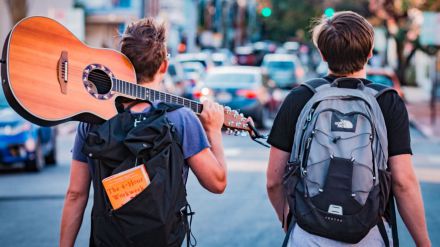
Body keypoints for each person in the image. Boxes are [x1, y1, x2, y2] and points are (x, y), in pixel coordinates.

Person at [266, 11, 431, 246]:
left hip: (308, 236)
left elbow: (274, 181)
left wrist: (290, 221)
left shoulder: (300, 97)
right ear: (370, 52)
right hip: (369, 235)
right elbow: (403, 182)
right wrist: (423, 243)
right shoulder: (387, 101)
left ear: (323, 54)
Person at [60, 18, 227, 246]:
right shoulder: (180, 118)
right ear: (164, 67)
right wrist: (214, 131)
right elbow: (217, 183)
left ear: (120, 62)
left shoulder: (93, 119)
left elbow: (75, 195)